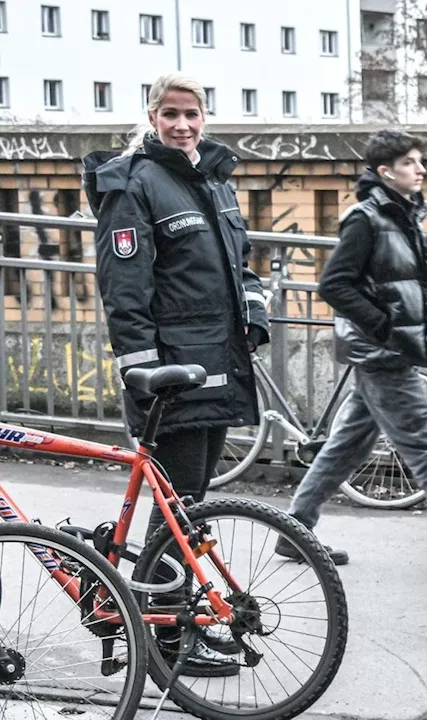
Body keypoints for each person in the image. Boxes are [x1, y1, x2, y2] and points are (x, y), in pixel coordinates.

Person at [87, 73, 269, 677]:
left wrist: (256, 313)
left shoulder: (212, 177)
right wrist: (141, 368)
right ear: (151, 114)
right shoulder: (133, 182)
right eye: (170, 114)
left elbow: (233, 267)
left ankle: (176, 624)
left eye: (192, 113)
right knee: (177, 511)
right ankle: (164, 643)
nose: (183, 124)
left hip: (218, 365)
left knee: (189, 508)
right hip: (171, 373)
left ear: (206, 115)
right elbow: (124, 287)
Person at [277, 129, 427, 564]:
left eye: (420, 161)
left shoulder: (401, 214)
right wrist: (383, 326)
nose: (421, 169)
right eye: (410, 163)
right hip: (384, 353)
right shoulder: (367, 218)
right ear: (385, 171)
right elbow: (335, 284)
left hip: (392, 348)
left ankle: (294, 528)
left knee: (348, 444)